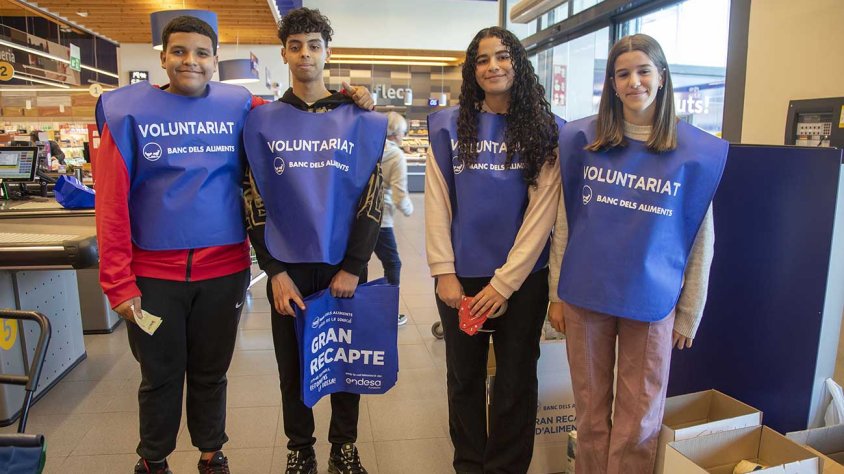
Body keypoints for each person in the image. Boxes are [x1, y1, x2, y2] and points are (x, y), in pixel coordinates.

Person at [547, 34, 728, 474]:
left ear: (662, 77)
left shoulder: (694, 153)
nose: (634, 82)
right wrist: (555, 293)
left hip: (652, 304)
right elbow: (564, 222)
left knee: (640, 418)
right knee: (589, 415)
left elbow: (700, 238)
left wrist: (689, 312)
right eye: (622, 73)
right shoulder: (582, 141)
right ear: (611, 83)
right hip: (586, 296)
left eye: (643, 70)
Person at [95, 16, 257, 474]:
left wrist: (351, 99)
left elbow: (297, 115)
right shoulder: (126, 114)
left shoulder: (240, 105)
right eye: (180, 52)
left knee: (211, 372)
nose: (191, 61)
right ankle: (153, 459)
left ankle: (211, 452)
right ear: (162, 58)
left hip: (224, 275)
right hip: (153, 280)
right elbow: (110, 204)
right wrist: (118, 282)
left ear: (215, 59)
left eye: (203, 53)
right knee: (159, 376)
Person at [241, 8, 385, 474]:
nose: (306, 54)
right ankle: (299, 450)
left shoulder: (356, 118)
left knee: (345, 360)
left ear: (328, 52)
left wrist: (354, 265)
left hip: (344, 264)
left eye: (315, 45)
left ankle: (344, 447)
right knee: (294, 366)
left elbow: (372, 195)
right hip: (288, 268)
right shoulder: (262, 123)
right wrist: (274, 271)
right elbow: (252, 198)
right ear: (284, 53)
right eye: (296, 46)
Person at [425, 26, 562, 473]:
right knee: (463, 377)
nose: (492, 67)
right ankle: (469, 463)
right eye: (482, 60)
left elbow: (542, 216)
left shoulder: (545, 130)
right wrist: (443, 271)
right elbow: (438, 201)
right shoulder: (448, 125)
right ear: (472, 70)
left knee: (515, 380)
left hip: (522, 280)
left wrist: (505, 284)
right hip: (461, 276)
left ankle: (505, 467)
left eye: (502, 57)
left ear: (517, 63)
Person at [375, 111, 414, 325]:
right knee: (393, 264)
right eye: (403, 132)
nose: (404, 136)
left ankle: (351, 309)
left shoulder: (370, 147)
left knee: (358, 264)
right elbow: (400, 195)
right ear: (396, 132)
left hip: (356, 217)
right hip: (381, 219)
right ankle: (390, 312)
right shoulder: (396, 156)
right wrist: (409, 210)